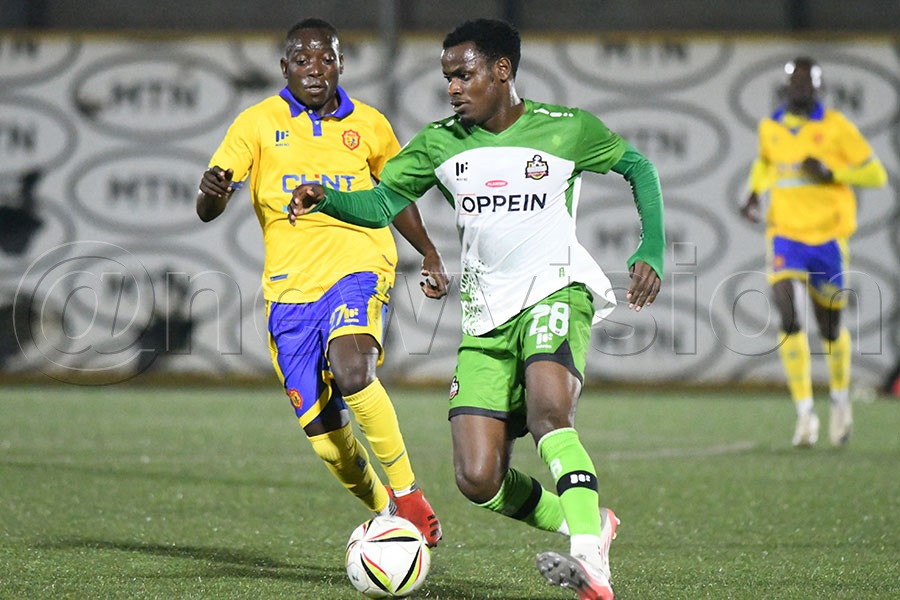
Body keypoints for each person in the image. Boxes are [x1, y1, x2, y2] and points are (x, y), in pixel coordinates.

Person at [289, 19, 664, 600]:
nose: (453, 88)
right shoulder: (440, 143)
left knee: (549, 414)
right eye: (447, 78)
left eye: (464, 75)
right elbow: (384, 202)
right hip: (486, 317)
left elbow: (638, 167)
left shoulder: (566, 128)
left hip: (556, 290)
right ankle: (587, 521)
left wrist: (651, 248)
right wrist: (328, 199)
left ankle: (590, 561)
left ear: (502, 71)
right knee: (478, 478)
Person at [196, 18, 448, 547]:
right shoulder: (256, 123)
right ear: (284, 67)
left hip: (359, 266)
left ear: (340, 65)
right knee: (327, 439)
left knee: (353, 368)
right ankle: (386, 513)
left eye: (326, 58)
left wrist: (427, 251)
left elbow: (395, 196)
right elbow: (209, 205)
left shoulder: (370, 124)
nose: (315, 68)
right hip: (289, 292)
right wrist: (212, 193)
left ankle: (408, 493)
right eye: (302, 59)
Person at [740, 56, 887, 448]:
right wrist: (754, 192)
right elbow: (765, 163)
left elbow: (876, 173)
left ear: (819, 88)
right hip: (785, 235)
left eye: (808, 82)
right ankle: (805, 414)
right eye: (796, 81)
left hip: (826, 239)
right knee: (787, 311)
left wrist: (831, 172)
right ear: (786, 86)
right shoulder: (771, 127)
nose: (801, 88)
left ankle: (839, 400)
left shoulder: (837, 128)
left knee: (829, 328)